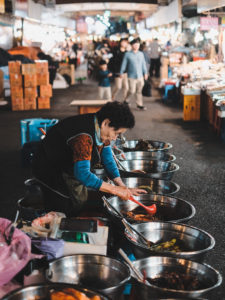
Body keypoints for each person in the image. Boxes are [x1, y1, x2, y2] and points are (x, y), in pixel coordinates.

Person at [32, 101, 146, 215]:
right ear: (106, 123)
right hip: (49, 166)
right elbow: (83, 174)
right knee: (63, 206)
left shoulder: (100, 127)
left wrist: (122, 186)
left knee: (79, 200)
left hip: (68, 164)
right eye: (116, 133)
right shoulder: (83, 136)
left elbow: (107, 158)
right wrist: (116, 190)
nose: (115, 138)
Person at [120, 38, 148, 111]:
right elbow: (124, 64)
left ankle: (139, 105)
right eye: (135, 45)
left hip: (140, 76)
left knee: (139, 91)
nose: (136, 46)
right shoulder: (128, 54)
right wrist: (121, 72)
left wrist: (145, 73)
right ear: (132, 46)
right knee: (132, 90)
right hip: (131, 76)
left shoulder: (141, 54)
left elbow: (143, 64)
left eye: (138, 45)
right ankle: (126, 100)